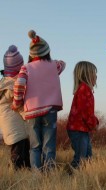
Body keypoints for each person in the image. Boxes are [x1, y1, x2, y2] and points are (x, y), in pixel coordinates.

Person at [12, 30, 66, 170]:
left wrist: (17, 103)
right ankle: (49, 171)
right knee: (49, 145)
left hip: (32, 112)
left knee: (35, 146)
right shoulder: (55, 65)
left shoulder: (26, 68)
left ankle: (36, 173)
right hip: (50, 110)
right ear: (47, 51)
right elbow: (63, 64)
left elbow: (19, 85)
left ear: (31, 54)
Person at [0, 45, 30, 170]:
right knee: (18, 152)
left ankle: (24, 169)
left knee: (20, 150)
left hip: (9, 125)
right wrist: (27, 114)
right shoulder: (12, 85)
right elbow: (18, 105)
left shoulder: (4, 82)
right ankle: (15, 171)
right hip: (16, 126)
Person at [67, 61, 99, 169]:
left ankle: (84, 177)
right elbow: (85, 112)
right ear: (87, 75)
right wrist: (94, 124)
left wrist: (93, 121)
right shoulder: (84, 89)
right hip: (78, 129)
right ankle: (72, 176)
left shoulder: (84, 89)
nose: (96, 76)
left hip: (81, 129)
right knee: (81, 158)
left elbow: (86, 111)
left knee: (88, 156)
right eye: (94, 73)